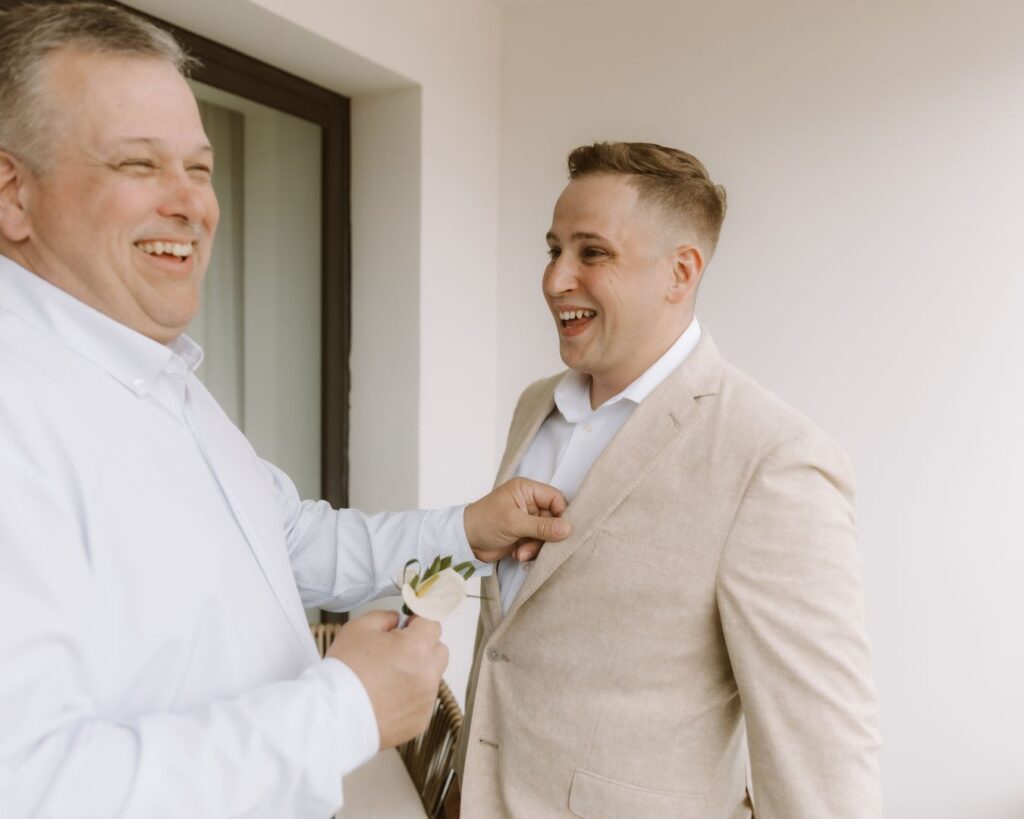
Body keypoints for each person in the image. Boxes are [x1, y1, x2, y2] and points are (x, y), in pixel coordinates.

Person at [0, 4, 570, 817]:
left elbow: (291, 535)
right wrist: (345, 709)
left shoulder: (165, 381)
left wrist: (464, 532)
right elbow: (29, 788)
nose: (189, 204)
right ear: (13, 194)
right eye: (137, 164)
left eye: (199, 170)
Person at [452, 142, 883, 818]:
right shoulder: (532, 407)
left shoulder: (773, 458)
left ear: (680, 272)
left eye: (591, 252)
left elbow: (821, 760)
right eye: (552, 248)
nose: (555, 278)